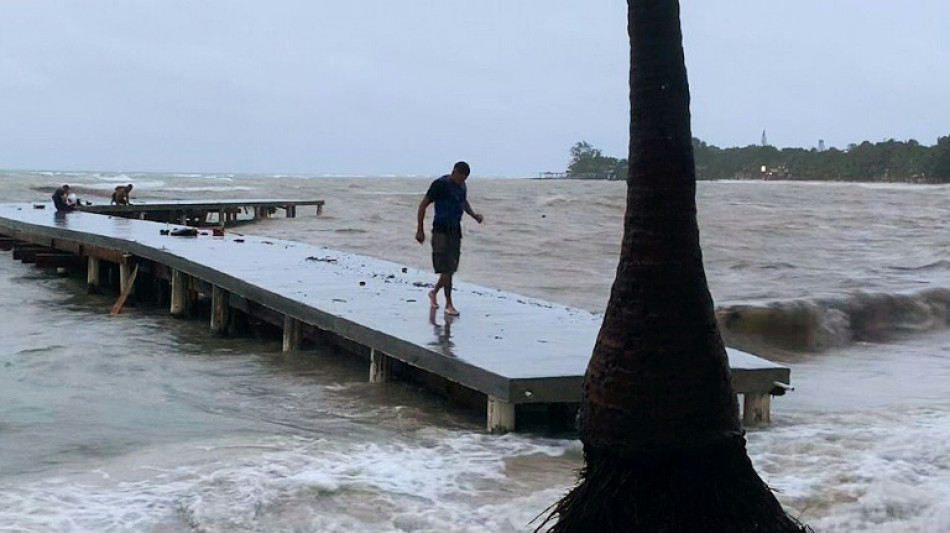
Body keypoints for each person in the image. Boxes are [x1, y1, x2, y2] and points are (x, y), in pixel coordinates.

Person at [415, 161, 483, 316]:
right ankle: (449, 304)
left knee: (450, 270)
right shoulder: (440, 184)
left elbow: (463, 202)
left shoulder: (462, 186)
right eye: (460, 177)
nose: (462, 181)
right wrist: (420, 230)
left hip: (455, 231)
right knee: (446, 269)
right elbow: (422, 205)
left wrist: (474, 215)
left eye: (465, 179)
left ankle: (433, 293)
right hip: (440, 230)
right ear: (454, 171)